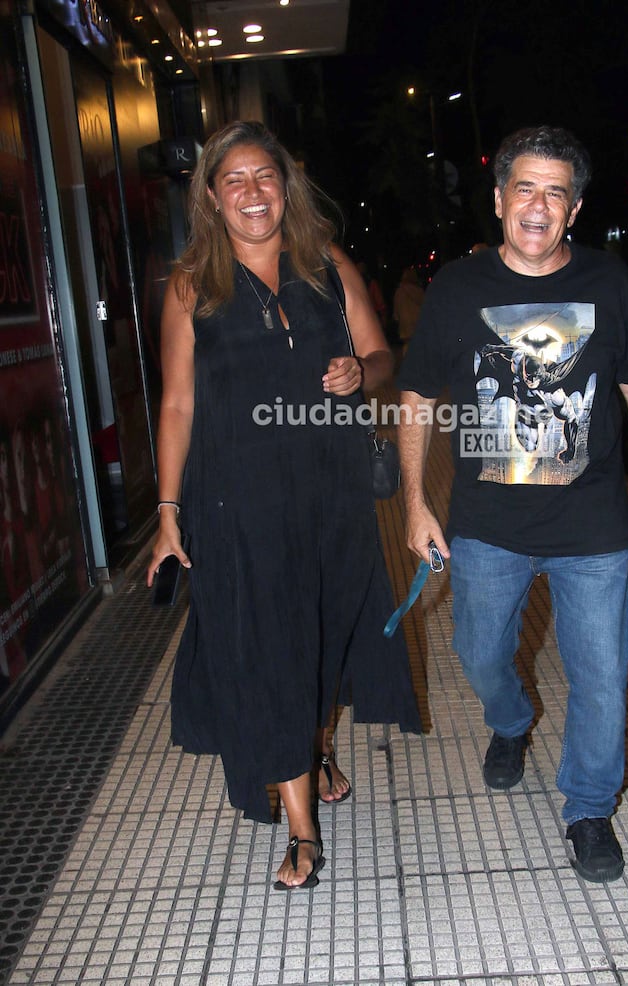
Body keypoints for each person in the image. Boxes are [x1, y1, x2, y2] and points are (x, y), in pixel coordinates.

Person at [397, 125, 628, 883]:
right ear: (497, 200)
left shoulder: (607, 281)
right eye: (524, 187)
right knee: (478, 655)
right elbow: (418, 393)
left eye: (555, 191)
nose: (537, 204)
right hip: (487, 527)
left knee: (601, 673)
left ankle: (587, 810)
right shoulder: (457, 289)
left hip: (589, 527)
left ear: (574, 208)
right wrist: (414, 507)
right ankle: (511, 721)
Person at [147, 120, 421, 891]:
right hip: (237, 498)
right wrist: (168, 510)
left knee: (326, 625)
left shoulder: (327, 264)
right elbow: (175, 405)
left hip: (329, 485)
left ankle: (316, 738)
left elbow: (381, 355)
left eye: (264, 176)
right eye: (233, 180)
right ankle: (302, 826)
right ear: (210, 195)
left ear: (285, 184)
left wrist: (356, 374)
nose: (252, 192)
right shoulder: (193, 282)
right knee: (268, 645)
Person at [392, 267, 425, 351]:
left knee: (407, 347)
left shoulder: (399, 291)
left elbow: (396, 309)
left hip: (404, 324)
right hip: (418, 322)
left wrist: (397, 318)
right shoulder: (418, 291)